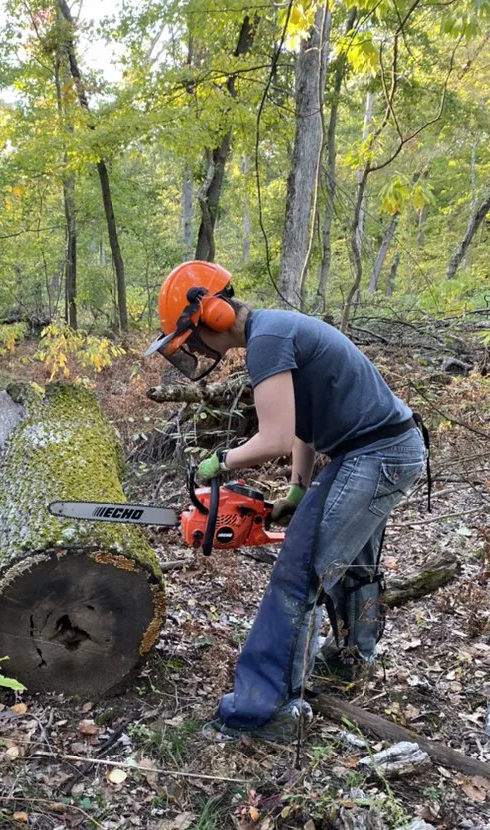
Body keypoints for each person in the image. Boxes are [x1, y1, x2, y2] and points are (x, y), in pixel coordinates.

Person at [145, 261, 428, 742]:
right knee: (349, 560)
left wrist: (222, 461)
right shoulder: (273, 331)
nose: (193, 349)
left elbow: (273, 437)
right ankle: (351, 658)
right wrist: (298, 488)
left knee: (299, 571)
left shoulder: (267, 341)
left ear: (212, 313)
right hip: (384, 448)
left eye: (191, 337)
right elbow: (301, 426)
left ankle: (266, 708)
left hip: (376, 452)